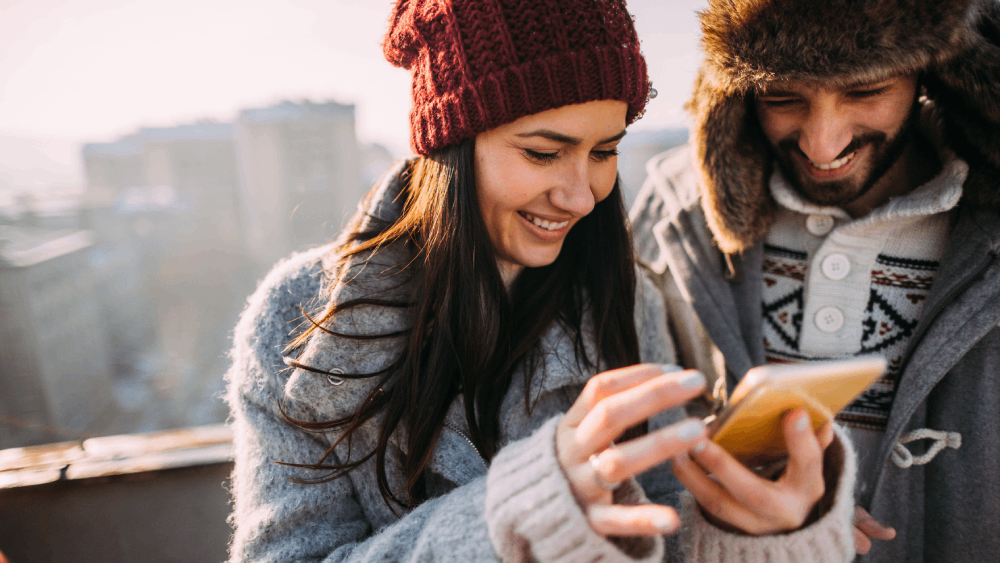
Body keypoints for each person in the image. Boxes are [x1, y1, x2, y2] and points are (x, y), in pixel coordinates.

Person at [225, 1, 858, 562]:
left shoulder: (621, 296)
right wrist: (512, 516)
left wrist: (755, 530)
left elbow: (662, 532)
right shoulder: (300, 319)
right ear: (450, 145)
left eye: (604, 152)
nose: (581, 197)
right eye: (543, 153)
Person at [630, 0, 1000, 562]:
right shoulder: (675, 214)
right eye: (783, 97)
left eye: (865, 90)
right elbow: (634, 473)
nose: (821, 145)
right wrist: (734, 516)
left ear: (929, 67)